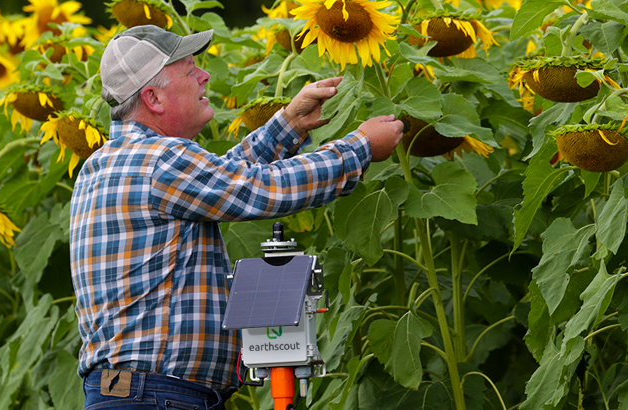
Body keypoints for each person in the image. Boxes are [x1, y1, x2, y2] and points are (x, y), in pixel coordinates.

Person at [69, 25, 403, 410]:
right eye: (190, 68)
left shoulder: (110, 163)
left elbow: (220, 181)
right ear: (153, 97)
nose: (203, 76)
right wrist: (358, 149)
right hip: (157, 398)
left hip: (132, 393)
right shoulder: (160, 160)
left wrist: (289, 124)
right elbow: (260, 189)